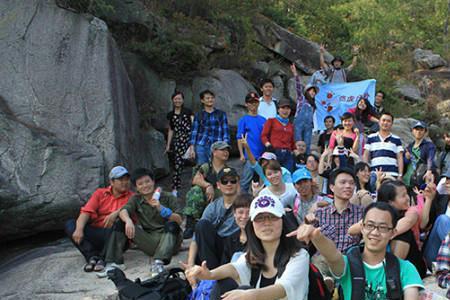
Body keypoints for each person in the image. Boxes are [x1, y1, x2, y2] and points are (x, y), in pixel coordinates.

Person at [184, 195, 310, 300]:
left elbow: (283, 288)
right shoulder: (253, 254)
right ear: (252, 225)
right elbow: (234, 268)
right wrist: (210, 274)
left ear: (283, 221)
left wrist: (250, 295)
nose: (266, 223)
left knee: (245, 290)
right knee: (225, 282)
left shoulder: (299, 255)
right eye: (260, 219)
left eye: (272, 217)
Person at [290, 201, 424, 300]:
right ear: (362, 228)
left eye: (383, 227)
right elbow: (332, 254)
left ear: (393, 233)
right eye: (370, 225)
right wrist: (316, 236)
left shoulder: (406, 268)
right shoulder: (348, 264)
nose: (375, 232)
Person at [99, 168, 183, 277]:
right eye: (140, 184)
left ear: (153, 181)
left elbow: (179, 220)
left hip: (170, 242)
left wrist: (161, 209)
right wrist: (128, 220)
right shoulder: (136, 199)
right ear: (136, 187)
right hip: (150, 241)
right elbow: (124, 210)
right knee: (121, 222)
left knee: (172, 224)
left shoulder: (167, 197)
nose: (145, 186)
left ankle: (158, 263)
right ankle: (114, 263)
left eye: (147, 181)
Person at [64, 166, 133, 272]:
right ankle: (91, 256)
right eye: (120, 179)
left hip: (117, 236)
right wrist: (79, 229)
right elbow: (86, 211)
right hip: (99, 232)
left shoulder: (132, 197)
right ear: (112, 182)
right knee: (70, 224)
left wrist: (116, 213)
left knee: (119, 223)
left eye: (126, 179)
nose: (125, 182)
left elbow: (131, 210)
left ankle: (103, 258)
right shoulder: (100, 193)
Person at [310, 168, 363, 282]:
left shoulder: (362, 213)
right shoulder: (319, 213)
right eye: (343, 182)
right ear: (332, 187)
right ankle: (325, 284)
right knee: (318, 264)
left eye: (351, 183)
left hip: (349, 259)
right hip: (323, 259)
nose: (348, 186)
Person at [186, 167, 240, 270]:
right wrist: (190, 264)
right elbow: (196, 238)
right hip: (217, 247)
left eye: (233, 181)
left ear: (237, 183)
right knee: (202, 225)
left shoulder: (246, 203)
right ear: (218, 185)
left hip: (236, 246)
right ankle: (211, 274)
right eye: (225, 181)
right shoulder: (213, 207)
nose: (229, 184)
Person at [377, 180, 428, 278]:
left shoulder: (411, 211)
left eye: (406, 194)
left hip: (413, 263)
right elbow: (352, 230)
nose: (408, 198)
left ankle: (391, 275)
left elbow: (407, 222)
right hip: (382, 259)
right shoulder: (378, 212)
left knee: (404, 233)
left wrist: (378, 234)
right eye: (403, 196)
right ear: (390, 202)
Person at [183, 141, 230, 239]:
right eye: (222, 150)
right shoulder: (206, 167)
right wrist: (208, 185)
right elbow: (195, 179)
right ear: (214, 152)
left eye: (227, 150)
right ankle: (190, 224)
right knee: (195, 191)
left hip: (221, 202)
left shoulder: (228, 170)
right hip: (208, 199)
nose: (226, 152)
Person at [189, 90, 230, 165]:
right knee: (202, 169)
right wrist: (192, 148)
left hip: (217, 145)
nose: (210, 100)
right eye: (207, 98)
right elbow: (194, 132)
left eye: (212, 98)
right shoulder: (199, 115)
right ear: (202, 100)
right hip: (201, 145)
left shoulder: (221, 114)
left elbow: (225, 131)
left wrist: (225, 146)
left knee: (218, 168)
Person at [165, 91, 193, 196]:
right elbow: (171, 130)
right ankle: (175, 188)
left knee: (194, 163)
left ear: (183, 100)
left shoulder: (188, 112)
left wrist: (193, 142)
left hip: (189, 140)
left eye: (179, 98)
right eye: (176, 99)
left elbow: (193, 127)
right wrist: (168, 145)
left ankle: (196, 186)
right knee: (177, 164)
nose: (178, 101)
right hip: (178, 141)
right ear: (172, 100)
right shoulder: (171, 115)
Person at [237, 92, 266, 193]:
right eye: (250, 102)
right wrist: (241, 154)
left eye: (255, 102)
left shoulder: (263, 120)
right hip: (250, 156)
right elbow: (239, 138)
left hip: (262, 157)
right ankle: (242, 203)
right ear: (246, 104)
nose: (253, 105)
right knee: (245, 182)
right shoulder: (243, 120)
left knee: (261, 183)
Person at [364, 112, 404, 179]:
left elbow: (400, 158)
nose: (385, 123)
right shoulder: (370, 138)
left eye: (388, 121)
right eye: (383, 120)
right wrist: (366, 172)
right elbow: (365, 155)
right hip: (374, 174)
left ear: (392, 124)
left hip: (392, 174)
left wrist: (400, 175)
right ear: (379, 122)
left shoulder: (396, 139)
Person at [423, 169, 450, 267]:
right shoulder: (441, 200)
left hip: (447, 260)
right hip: (434, 255)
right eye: (447, 179)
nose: (447, 182)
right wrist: (429, 200)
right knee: (443, 220)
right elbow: (423, 225)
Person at [261, 98, 296, 171]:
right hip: (275, 151)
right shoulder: (271, 121)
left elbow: (292, 142)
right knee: (274, 173)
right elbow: (263, 135)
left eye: (288, 108)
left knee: (287, 174)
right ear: (278, 109)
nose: (285, 111)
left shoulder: (290, 125)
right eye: (283, 108)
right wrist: (268, 145)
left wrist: (297, 153)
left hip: (288, 154)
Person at [291, 63, 319, 154]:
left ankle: (306, 160)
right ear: (307, 91)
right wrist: (296, 75)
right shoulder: (301, 99)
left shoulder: (313, 105)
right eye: (311, 91)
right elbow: (298, 87)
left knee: (307, 144)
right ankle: (297, 160)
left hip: (308, 126)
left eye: (314, 92)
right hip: (298, 124)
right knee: (297, 143)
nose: (313, 93)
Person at [403, 121, 436, 188]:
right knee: (406, 198)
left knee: (419, 197)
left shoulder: (429, 146)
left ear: (425, 132)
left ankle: (419, 198)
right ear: (412, 131)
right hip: (407, 179)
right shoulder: (409, 147)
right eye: (416, 129)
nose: (418, 132)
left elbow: (430, 159)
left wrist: (429, 170)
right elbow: (404, 163)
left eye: (421, 130)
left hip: (420, 178)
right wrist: (406, 158)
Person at [221, 193, 252, 264]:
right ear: (234, 213)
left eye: (249, 212)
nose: (244, 216)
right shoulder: (230, 240)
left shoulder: (260, 238)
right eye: (240, 212)